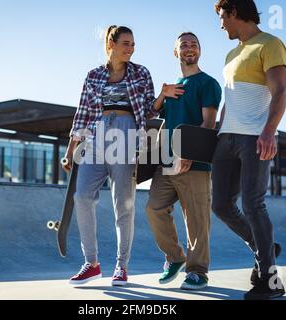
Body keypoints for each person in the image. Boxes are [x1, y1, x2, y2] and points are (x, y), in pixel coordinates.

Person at [64, 25, 182, 286]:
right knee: (82, 196)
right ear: (111, 44)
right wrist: (71, 150)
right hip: (96, 136)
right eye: (126, 43)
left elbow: (149, 111)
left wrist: (162, 95)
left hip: (127, 135)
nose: (131, 48)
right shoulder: (94, 75)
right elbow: (82, 113)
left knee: (123, 205)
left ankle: (121, 267)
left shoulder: (141, 73)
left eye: (133, 44)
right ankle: (91, 263)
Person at [212, 0, 286, 299]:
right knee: (221, 205)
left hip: (254, 138)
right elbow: (229, 99)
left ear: (234, 13)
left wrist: (270, 130)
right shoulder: (231, 54)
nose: (221, 25)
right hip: (226, 138)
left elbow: (280, 91)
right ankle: (265, 247)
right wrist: (217, 130)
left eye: (222, 18)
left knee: (253, 205)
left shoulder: (270, 44)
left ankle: (270, 281)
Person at [146, 32, 221, 290]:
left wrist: (190, 152)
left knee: (197, 221)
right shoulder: (174, 87)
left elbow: (209, 122)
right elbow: (149, 114)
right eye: (183, 45)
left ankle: (198, 271)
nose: (189, 48)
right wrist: (162, 94)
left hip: (195, 164)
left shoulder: (207, 83)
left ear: (199, 51)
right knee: (154, 209)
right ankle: (175, 257)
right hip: (166, 163)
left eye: (194, 44)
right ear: (175, 53)